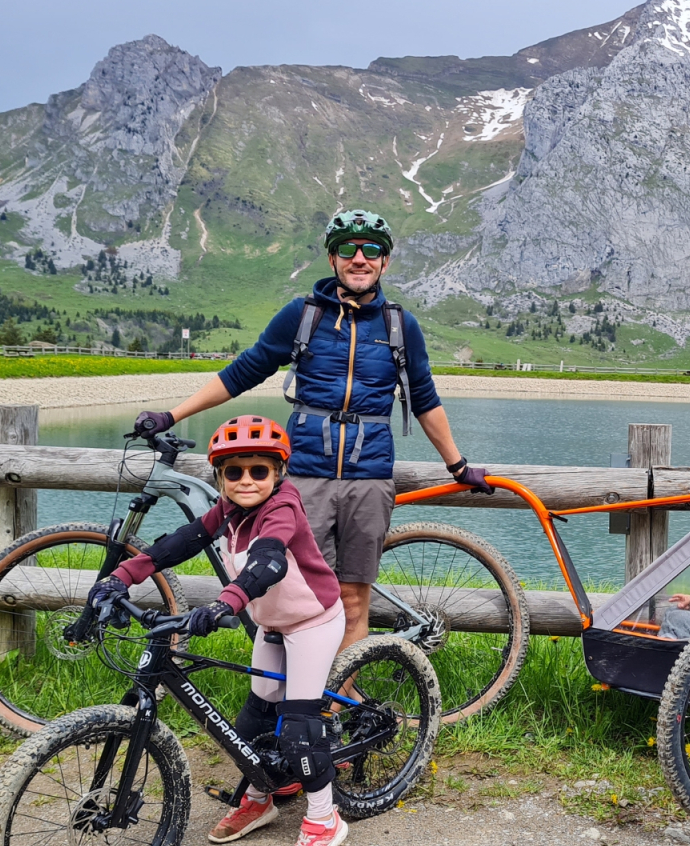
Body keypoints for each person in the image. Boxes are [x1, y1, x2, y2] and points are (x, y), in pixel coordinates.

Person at [131, 209, 487, 657]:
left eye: (371, 250)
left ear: (385, 262)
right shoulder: (303, 316)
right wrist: (172, 414)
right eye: (348, 249)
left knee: (354, 601)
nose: (360, 259)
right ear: (332, 259)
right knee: (290, 597)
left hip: (369, 479)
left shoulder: (401, 327)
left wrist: (458, 464)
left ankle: (335, 711)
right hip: (302, 480)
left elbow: (425, 400)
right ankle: (287, 705)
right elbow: (243, 372)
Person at [87, 417, 349, 846]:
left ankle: (324, 818)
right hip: (272, 622)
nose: (246, 480)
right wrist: (122, 575)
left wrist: (226, 602)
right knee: (254, 720)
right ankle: (260, 797)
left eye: (258, 470)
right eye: (234, 472)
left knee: (299, 729)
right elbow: (181, 542)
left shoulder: (282, 507)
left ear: (278, 472)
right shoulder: (228, 509)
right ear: (219, 477)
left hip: (313, 621)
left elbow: (269, 561)